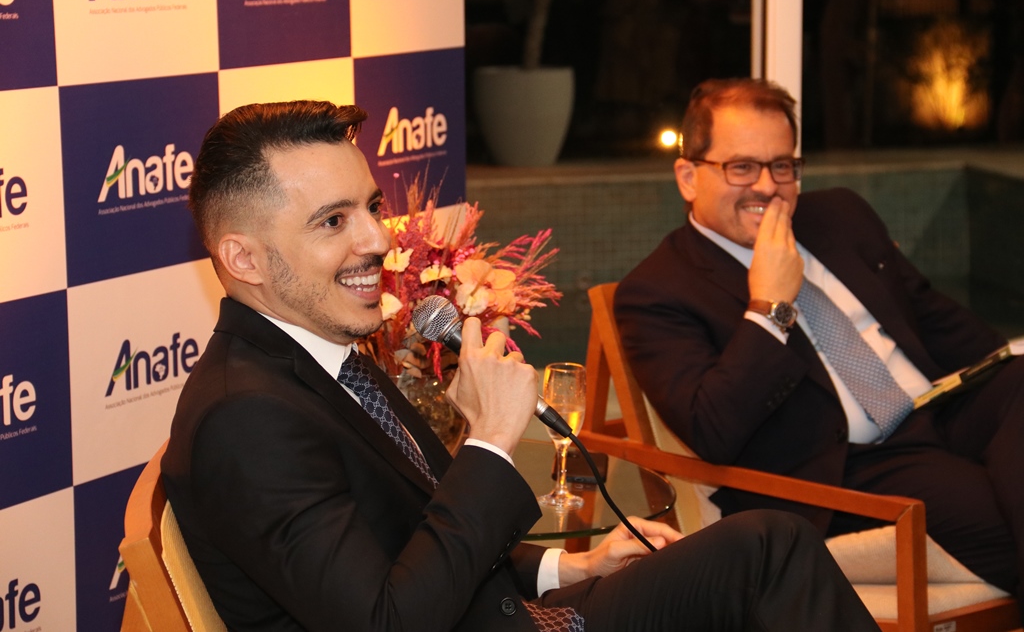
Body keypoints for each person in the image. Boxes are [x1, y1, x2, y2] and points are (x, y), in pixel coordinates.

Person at [161, 99, 879, 632]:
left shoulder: (326, 353)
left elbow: (416, 543)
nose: (378, 238)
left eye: (371, 207)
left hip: (507, 613)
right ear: (243, 258)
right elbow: (387, 620)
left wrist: (572, 565)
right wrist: (489, 441)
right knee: (770, 562)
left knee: (767, 546)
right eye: (332, 221)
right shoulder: (245, 418)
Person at [615, 77, 1024, 610]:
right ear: (689, 177)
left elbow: (949, 330)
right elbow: (712, 430)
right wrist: (770, 307)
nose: (768, 186)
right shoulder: (657, 291)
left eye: (782, 165)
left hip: (941, 411)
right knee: (998, 524)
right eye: (742, 167)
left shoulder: (840, 216)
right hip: (847, 466)